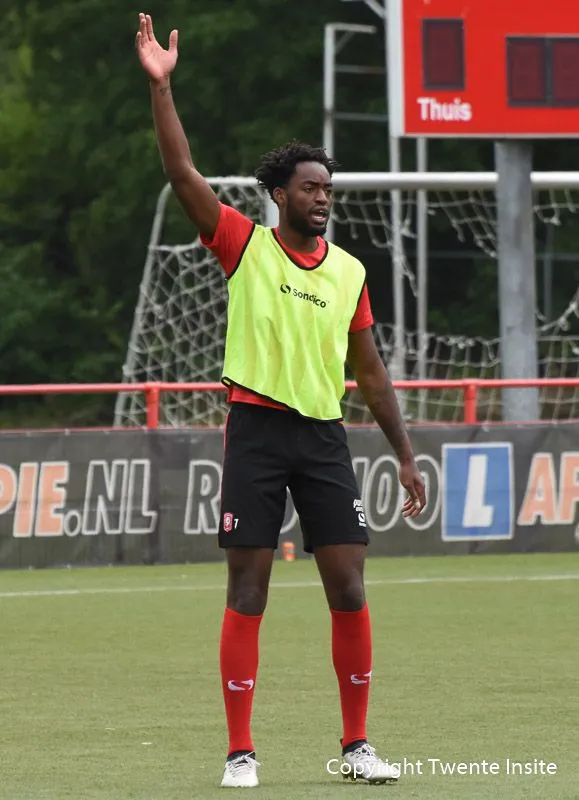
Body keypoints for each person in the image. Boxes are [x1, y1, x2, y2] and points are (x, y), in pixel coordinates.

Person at [136, 12, 426, 789]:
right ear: (278, 196)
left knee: (350, 586)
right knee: (249, 588)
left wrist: (402, 454)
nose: (322, 198)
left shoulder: (351, 273)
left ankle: (357, 746)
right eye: (308, 188)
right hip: (257, 431)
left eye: (327, 188)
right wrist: (162, 88)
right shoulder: (245, 245)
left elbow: (368, 372)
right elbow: (183, 175)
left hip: (325, 438)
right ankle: (240, 752)